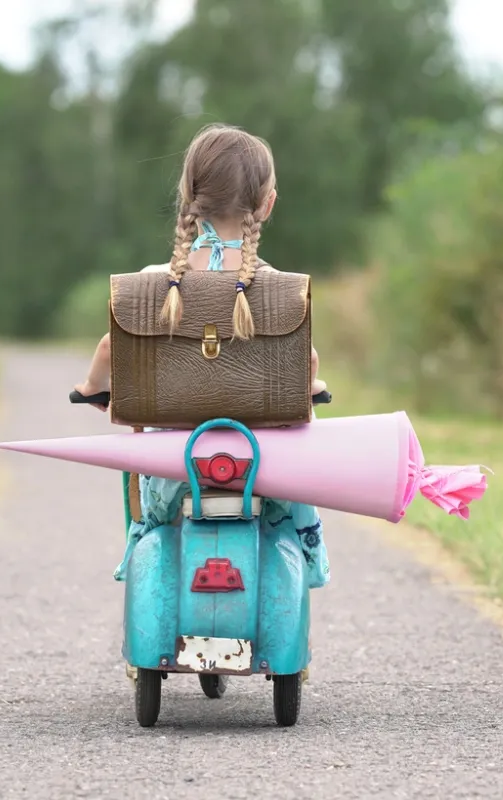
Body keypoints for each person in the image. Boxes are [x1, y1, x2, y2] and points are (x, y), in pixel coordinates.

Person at [72, 123, 331, 589]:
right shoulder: (281, 291)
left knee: (146, 502)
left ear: (188, 197)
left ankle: (140, 547)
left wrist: (92, 389)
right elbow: (305, 361)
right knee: (293, 489)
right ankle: (307, 558)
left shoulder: (151, 285)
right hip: (262, 468)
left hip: (174, 471)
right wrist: (314, 389)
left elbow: (111, 347)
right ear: (267, 204)